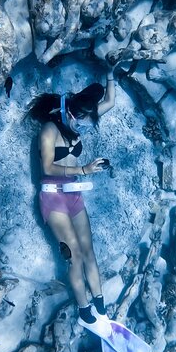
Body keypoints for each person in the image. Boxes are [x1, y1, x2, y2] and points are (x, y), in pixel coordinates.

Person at [27, 71, 116, 337]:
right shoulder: (49, 130)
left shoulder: (82, 114)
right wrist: (84, 169)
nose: (83, 129)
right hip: (52, 197)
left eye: (89, 125)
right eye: (82, 125)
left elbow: (109, 101)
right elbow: (45, 166)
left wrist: (110, 71)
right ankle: (84, 311)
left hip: (74, 194)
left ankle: (100, 304)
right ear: (71, 115)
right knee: (74, 256)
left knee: (89, 250)